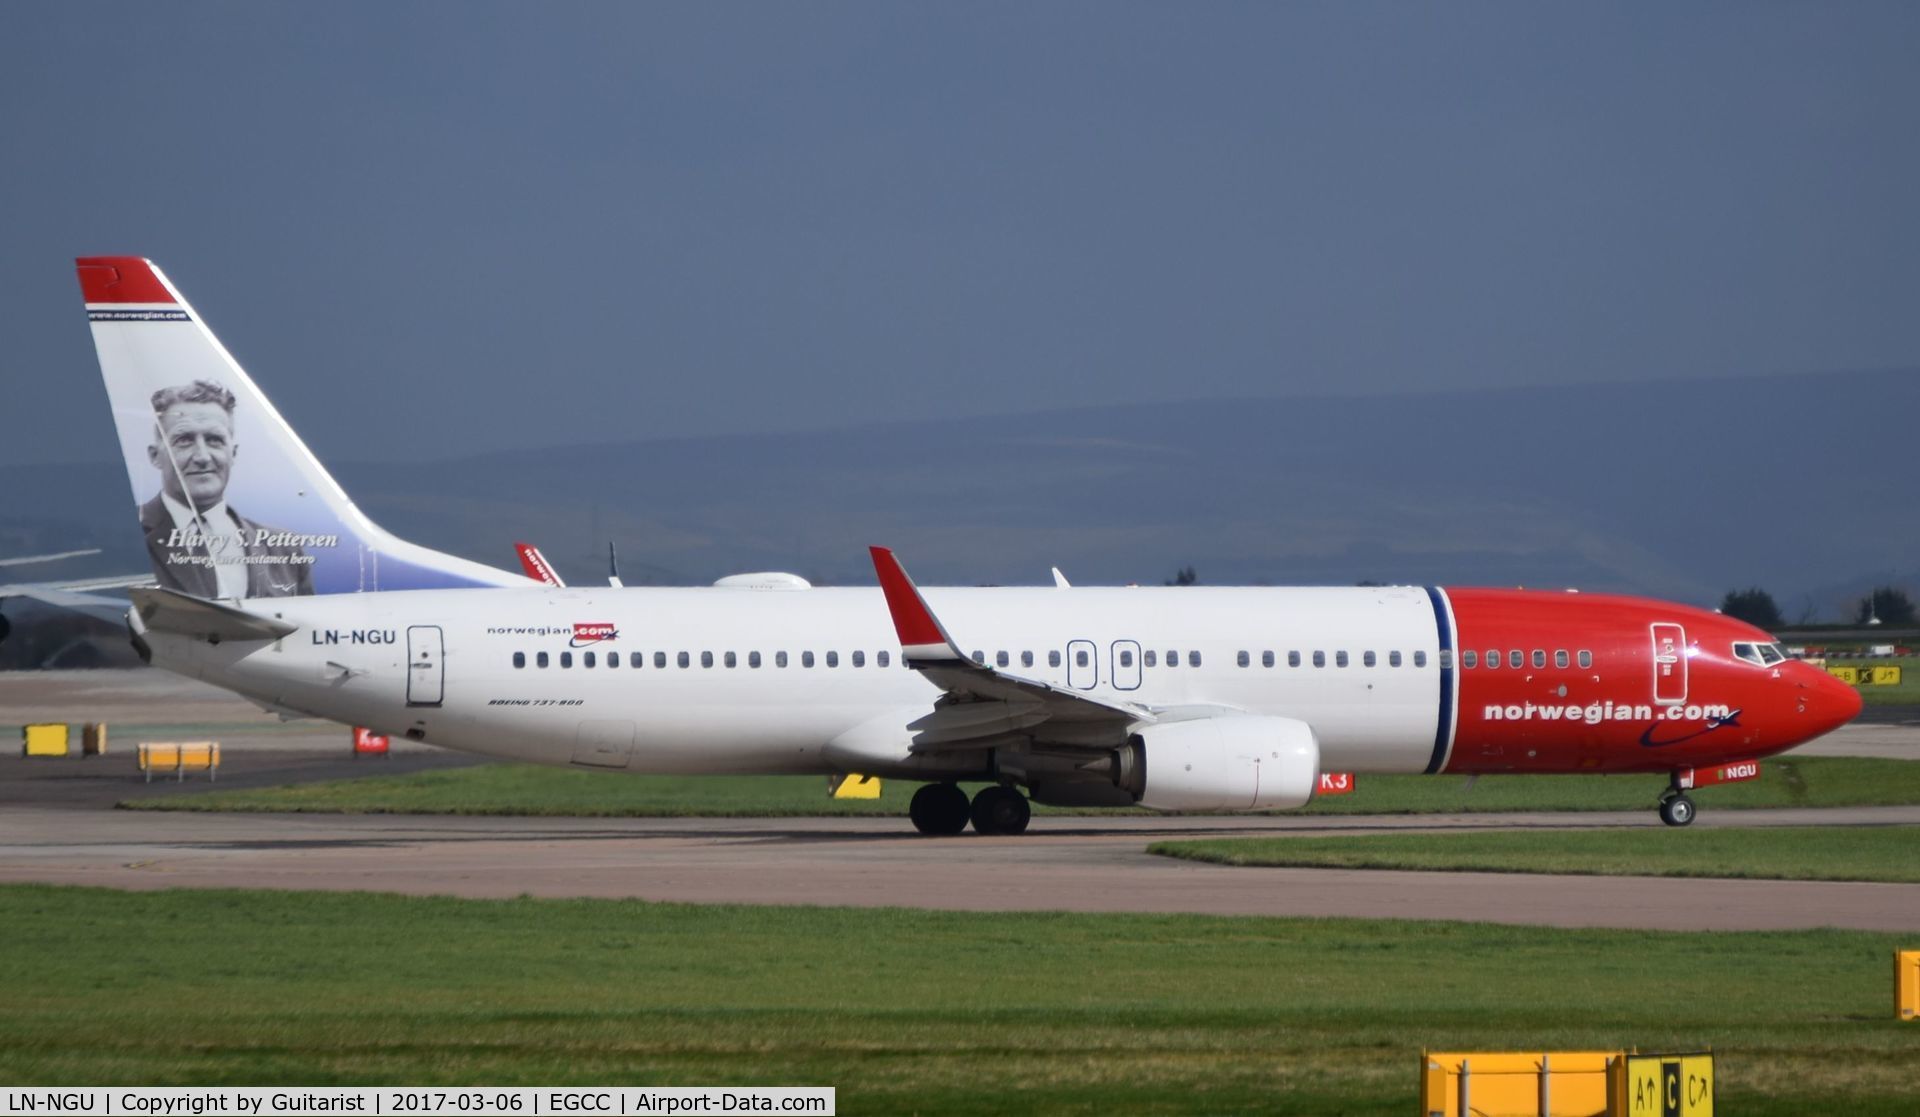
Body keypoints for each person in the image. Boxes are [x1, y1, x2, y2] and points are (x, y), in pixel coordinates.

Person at [138, 379, 314, 598]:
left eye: (214, 440)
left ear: (234, 454)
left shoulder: (284, 549)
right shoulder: (129, 535)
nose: (202, 457)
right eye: (184, 440)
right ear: (155, 456)